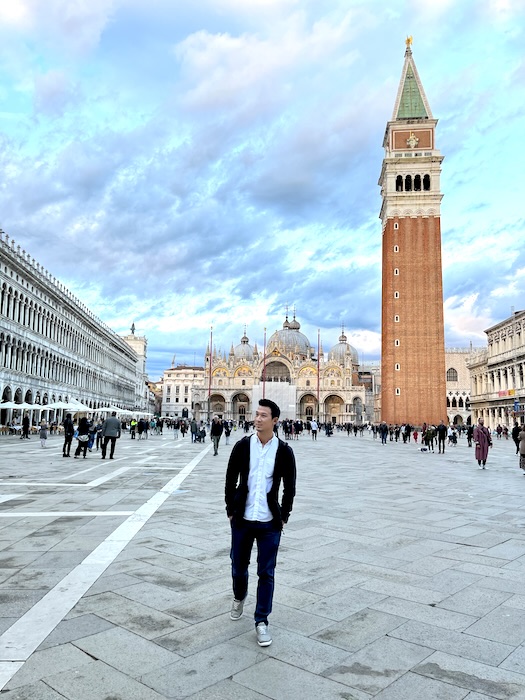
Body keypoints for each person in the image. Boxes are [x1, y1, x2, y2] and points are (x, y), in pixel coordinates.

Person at [225, 399, 296, 648]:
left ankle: (261, 621)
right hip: (242, 520)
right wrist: (230, 509)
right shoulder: (242, 446)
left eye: (263, 415)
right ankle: (239, 596)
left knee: (266, 573)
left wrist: (283, 515)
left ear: (275, 420)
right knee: (237, 567)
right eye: (256, 414)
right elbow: (230, 478)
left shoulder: (284, 451)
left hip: (269, 523)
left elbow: (290, 487)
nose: (257, 419)